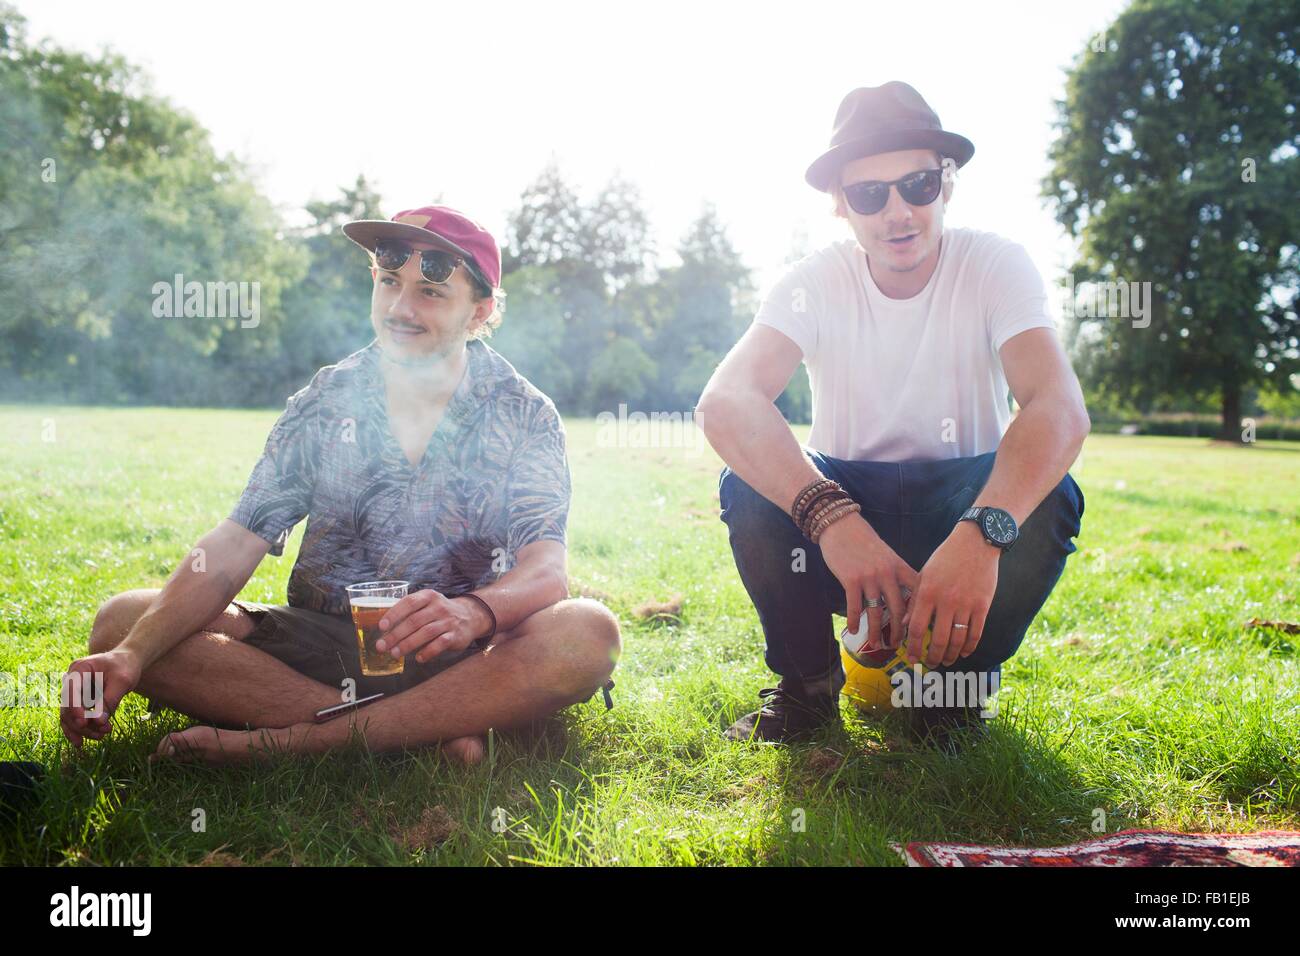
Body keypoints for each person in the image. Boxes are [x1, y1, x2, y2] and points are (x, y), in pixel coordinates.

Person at [61, 204, 620, 766]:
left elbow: (547, 571)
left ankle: (293, 742)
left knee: (587, 632)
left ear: (479, 312)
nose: (401, 308)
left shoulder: (525, 413)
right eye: (389, 283)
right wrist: (131, 656)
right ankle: (417, 737)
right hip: (323, 644)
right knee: (123, 621)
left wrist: (472, 613)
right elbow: (236, 542)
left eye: (430, 292)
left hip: (465, 655)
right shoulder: (327, 399)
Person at [697, 82, 1088, 746]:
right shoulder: (811, 282)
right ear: (841, 207)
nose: (898, 212)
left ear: (948, 183)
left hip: (961, 504)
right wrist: (832, 518)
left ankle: (949, 700)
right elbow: (726, 403)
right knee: (749, 487)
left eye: (917, 185)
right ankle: (808, 690)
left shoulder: (995, 264)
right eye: (870, 194)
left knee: (1051, 497)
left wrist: (980, 536)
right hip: (844, 512)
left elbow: (1059, 408)